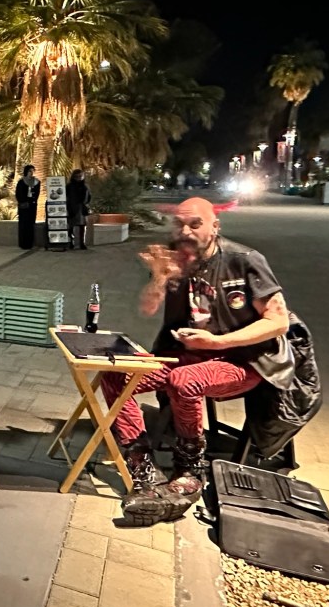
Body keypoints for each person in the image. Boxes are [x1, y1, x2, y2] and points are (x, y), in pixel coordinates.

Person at [101, 197, 294, 526]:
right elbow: (149, 308)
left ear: (215, 227)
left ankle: (190, 469)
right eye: (179, 224)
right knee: (115, 374)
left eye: (195, 224)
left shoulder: (244, 260)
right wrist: (160, 278)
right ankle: (142, 469)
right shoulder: (179, 260)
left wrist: (217, 341)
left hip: (242, 359)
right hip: (186, 354)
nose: (186, 230)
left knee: (184, 381)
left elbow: (278, 323)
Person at [15, 164, 41, 249]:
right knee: (23, 224)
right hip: (24, 205)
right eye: (30, 171)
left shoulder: (36, 182)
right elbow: (18, 194)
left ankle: (30, 243)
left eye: (33, 171)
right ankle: (23, 243)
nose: (31, 173)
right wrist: (23, 202)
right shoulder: (21, 182)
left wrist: (33, 201)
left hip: (32, 205)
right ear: (26, 171)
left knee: (31, 224)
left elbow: (37, 194)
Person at [65, 169, 91, 250]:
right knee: (71, 227)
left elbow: (88, 197)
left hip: (81, 208)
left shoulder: (85, 186)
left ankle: (82, 243)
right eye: (77, 176)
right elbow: (66, 197)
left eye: (81, 176)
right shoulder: (69, 186)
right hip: (72, 208)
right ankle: (71, 243)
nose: (79, 178)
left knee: (82, 226)